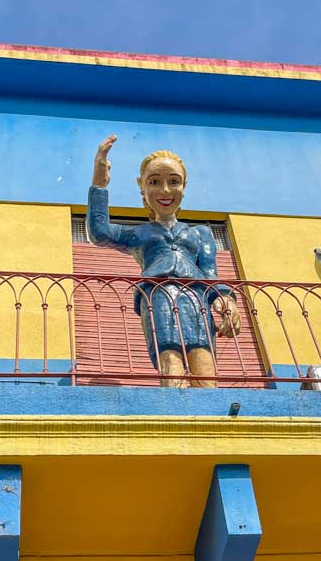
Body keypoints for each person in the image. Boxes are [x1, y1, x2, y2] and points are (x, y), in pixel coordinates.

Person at [88, 135, 240, 387]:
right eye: (154, 182)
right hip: (158, 297)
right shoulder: (140, 233)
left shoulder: (200, 232)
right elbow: (99, 231)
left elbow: (211, 272)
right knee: (170, 356)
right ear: (142, 186)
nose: (165, 190)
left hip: (196, 299)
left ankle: (209, 416)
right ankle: (177, 411)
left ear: (184, 186)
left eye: (173, 182)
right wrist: (99, 184)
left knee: (202, 356)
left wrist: (226, 299)